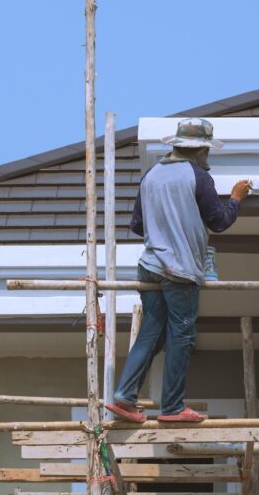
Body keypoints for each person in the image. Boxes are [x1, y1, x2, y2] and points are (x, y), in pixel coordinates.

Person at [105, 118, 251, 423]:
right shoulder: (198, 176)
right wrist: (236, 200)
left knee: (151, 333)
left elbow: (138, 226)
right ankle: (171, 406)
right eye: (206, 151)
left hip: (150, 266)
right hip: (180, 270)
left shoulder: (152, 175)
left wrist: (169, 224)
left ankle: (124, 397)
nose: (207, 157)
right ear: (199, 150)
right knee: (181, 336)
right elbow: (220, 222)